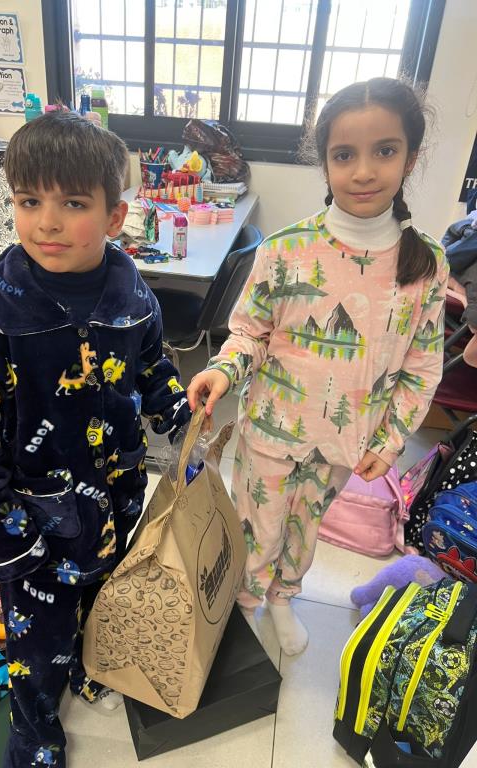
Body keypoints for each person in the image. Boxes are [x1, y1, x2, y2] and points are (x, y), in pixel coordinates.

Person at [0, 111, 191, 767]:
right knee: (37, 637)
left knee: (102, 595)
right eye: (30, 201)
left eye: (73, 203)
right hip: (34, 517)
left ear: (114, 217)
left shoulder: (134, 297)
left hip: (117, 495)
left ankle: (91, 662)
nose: (47, 222)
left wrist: (176, 410)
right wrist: (5, 540)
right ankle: (35, 728)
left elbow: (151, 366)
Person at [187, 77, 448, 656]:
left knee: (305, 530)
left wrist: (392, 438)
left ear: (411, 156)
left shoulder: (426, 263)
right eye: (344, 155)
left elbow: (422, 365)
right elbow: (249, 333)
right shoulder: (284, 250)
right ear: (325, 162)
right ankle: (243, 603)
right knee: (256, 528)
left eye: (385, 150)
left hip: (344, 441)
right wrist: (224, 371)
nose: (363, 171)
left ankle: (283, 597)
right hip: (269, 432)